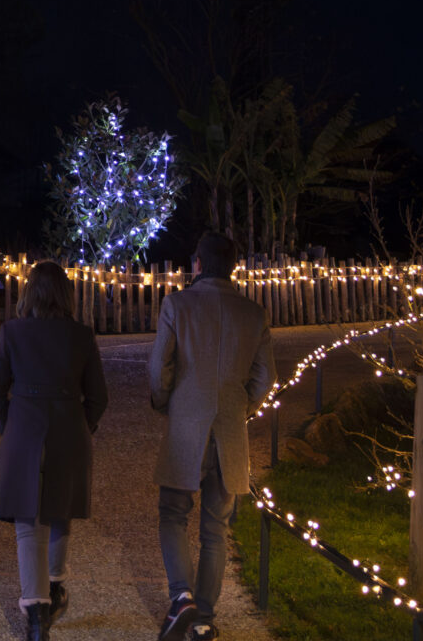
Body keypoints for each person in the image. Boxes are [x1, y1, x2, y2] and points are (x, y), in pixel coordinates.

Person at [148, 232, 274, 641]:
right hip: (230, 432)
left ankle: (180, 595)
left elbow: (158, 368)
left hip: (187, 425)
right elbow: (265, 378)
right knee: (215, 527)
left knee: (172, 513)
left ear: (198, 263)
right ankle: (203, 618)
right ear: (233, 267)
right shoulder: (253, 313)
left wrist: (166, 401)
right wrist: (242, 409)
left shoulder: (177, 304)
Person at [0, 260, 109, 641]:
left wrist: (12, 425)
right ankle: (55, 586)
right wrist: (81, 426)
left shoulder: (12, 333)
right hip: (69, 430)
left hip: (24, 430)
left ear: (29, 293)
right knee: (60, 508)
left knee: (28, 521)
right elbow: (99, 397)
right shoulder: (82, 336)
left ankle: (36, 614)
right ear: (65, 295)